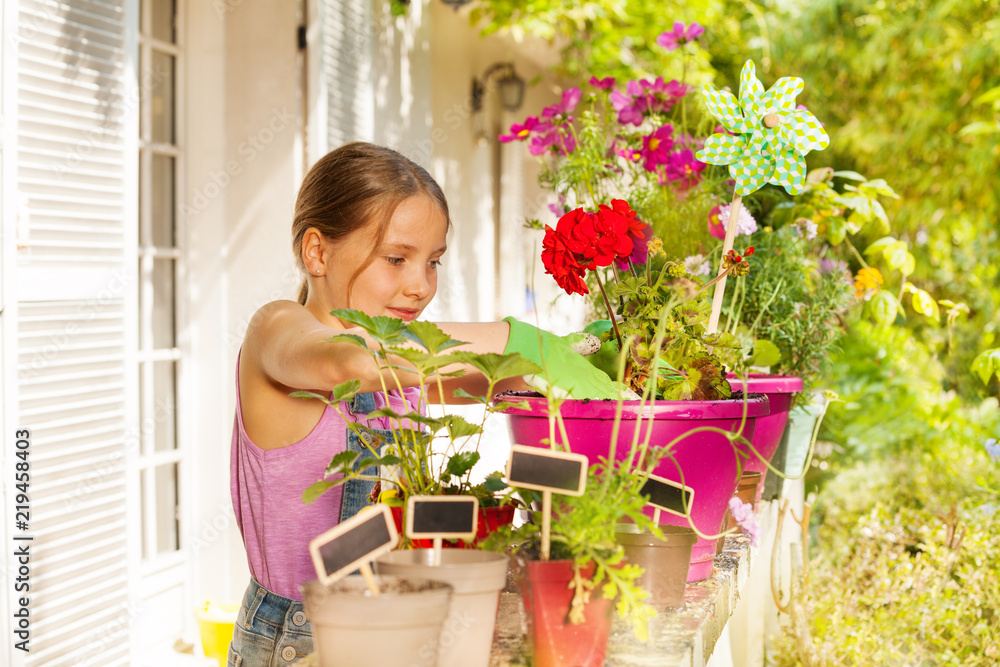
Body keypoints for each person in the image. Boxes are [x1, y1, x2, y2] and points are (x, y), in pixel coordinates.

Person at [227, 142, 619, 665]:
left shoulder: (405, 367)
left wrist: (595, 357)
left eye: (432, 262)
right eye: (396, 259)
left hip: (397, 622)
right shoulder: (276, 332)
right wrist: (522, 339)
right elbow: (350, 363)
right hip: (302, 639)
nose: (420, 287)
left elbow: (502, 382)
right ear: (316, 252)